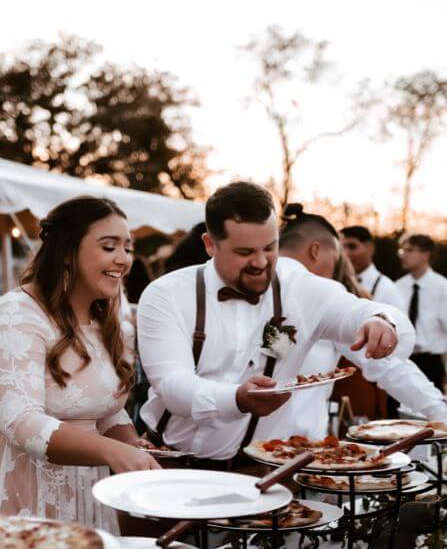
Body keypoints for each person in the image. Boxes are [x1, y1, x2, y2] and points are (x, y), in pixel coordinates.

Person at [136, 181, 411, 466]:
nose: (261, 262)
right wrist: (237, 399)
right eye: (244, 252)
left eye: (269, 248)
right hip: (168, 461)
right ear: (209, 244)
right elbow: (173, 386)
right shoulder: (166, 294)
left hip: (261, 470)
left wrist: (382, 321)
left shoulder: (298, 287)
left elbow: (365, 310)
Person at [0, 196, 160, 530]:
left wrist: (130, 446)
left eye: (128, 248)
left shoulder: (114, 316)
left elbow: (107, 409)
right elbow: (20, 422)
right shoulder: (16, 316)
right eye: (109, 247)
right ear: (66, 251)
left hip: (86, 490)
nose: (123, 260)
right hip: (16, 488)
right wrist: (110, 452)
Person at [269, 210, 447, 440]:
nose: (334, 271)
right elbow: (388, 366)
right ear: (315, 250)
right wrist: (442, 414)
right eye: (335, 259)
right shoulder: (321, 296)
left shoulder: (245, 284)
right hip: (293, 453)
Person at [395, 233, 447, 393]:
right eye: (401, 251)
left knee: (429, 417)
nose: (403, 255)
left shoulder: (444, 289)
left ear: (425, 254)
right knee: (396, 413)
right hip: (400, 360)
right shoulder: (398, 286)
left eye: (409, 250)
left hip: (429, 363)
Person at [341, 225, 402, 307]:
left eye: (352, 247)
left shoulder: (387, 289)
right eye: (341, 248)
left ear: (370, 248)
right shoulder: (336, 283)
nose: (345, 253)